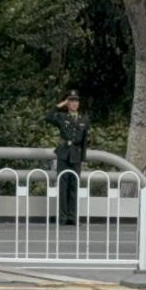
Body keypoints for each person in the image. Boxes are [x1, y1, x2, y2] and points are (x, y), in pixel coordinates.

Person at [47, 90, 90, 225]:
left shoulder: (84, 119)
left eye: (76, 101)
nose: (74, 103)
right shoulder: (62, 117)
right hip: (64, 154)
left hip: (76, 155)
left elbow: (84, 141)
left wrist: (82, 159)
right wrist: (60, 105)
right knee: (63, 185)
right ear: (67, 103)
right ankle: (63, 217)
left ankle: (73, 217)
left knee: (74, 186)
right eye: (71, 101)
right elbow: (48, 117)